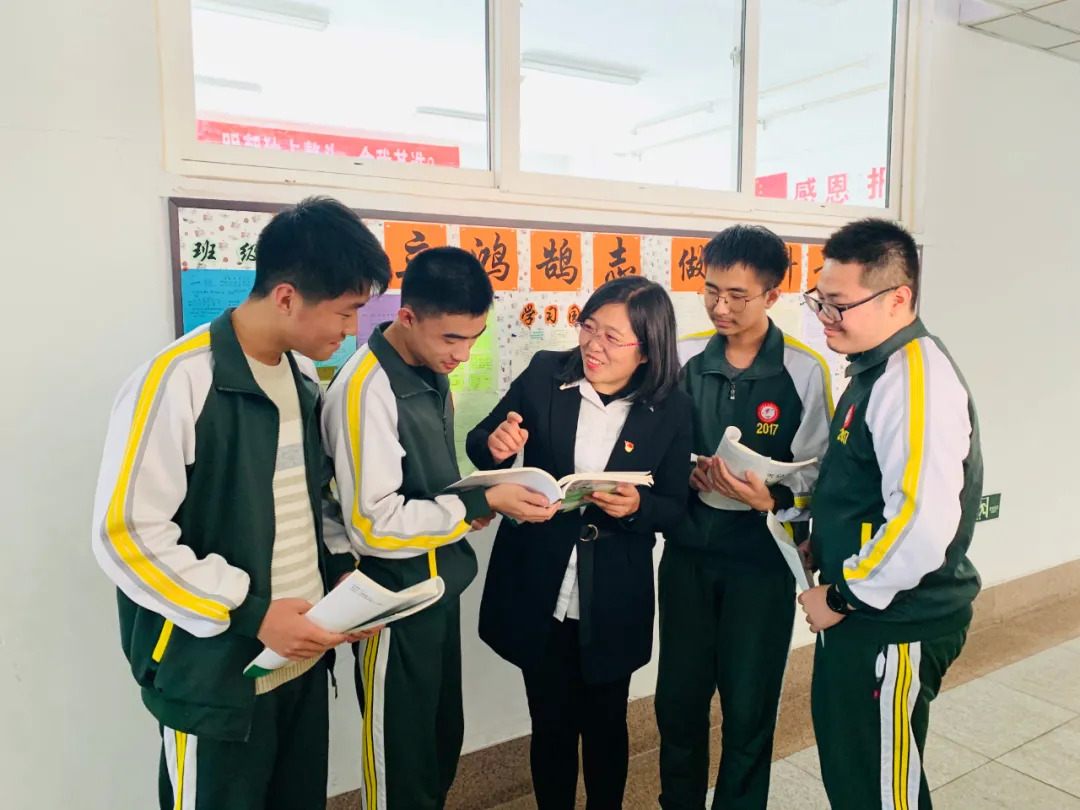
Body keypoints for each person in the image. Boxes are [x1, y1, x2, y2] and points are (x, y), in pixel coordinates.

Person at [91, 196, 390, 810]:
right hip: (214, 679)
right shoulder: (178, 380)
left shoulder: (302, 383)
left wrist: (342, 582)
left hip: (300, 664)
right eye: (345, 312)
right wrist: (252, 613)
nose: (350, 330)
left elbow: (312, 503)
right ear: (286, 297)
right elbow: (126, 534)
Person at [321, 246, 552, 810]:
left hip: (435, 590)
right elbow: (373, 526)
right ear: (406, 318)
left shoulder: (427, 370)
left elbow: (422, 484)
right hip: (390, 603)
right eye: (452, 338)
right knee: (400, 767)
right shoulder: (367, 388)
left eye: (474, 338)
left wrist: (478, 497)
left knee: (439, 745)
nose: (463, 354)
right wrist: (473, 506)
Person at [465, 275, 692, 810]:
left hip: (612, 592)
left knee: (607, 725)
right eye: (589, 327)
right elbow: (482, 442)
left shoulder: (672, 407)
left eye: (613, 337)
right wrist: (497, 445)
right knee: (550, 725)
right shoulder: (547, 373)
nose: (593, 345)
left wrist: (637, 508)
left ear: (646, 349)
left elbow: (674, 506)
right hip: (539, 581)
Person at [798, 218, 982, 810]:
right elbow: (869, 487)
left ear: (898, 298)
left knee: (882, 789)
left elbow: (923, 524)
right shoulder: (872, 365)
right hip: (868, 613)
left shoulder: (913, 380)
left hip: (894, 623)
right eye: (819, 301)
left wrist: (843, 593)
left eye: (839, 305)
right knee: (860, 774)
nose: (825, 318)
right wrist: (823, 540)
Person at [656, 225, 833, 810]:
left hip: (761, 562)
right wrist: (679, 472)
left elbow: (817, 472)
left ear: (772, 296)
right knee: (678, 703)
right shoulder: (683, 358)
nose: (720, 307)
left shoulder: (804, 370)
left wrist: (771, 499)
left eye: (737, 295)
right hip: (686, 556)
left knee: (749, 706)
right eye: (711, 291)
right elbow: (652, 443)